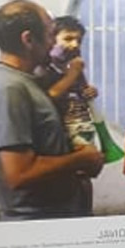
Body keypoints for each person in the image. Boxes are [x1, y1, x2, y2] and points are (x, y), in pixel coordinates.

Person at [0, 0, 102, 219]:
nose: (55, 44)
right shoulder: (8, 89)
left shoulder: (26, 83)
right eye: (51, 34)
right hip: (39, 223)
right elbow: (19, 174)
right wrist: (81, 159)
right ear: (28, 39)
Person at [34, 13, 100, 152]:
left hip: (77, 126)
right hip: (56, 133)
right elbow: (49, 97)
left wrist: (87, 92)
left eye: (79, 41)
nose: (75, 45)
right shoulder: (43, 67)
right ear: (51, 40)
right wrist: (73, 73)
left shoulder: (70, 64)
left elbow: (79, 90)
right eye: (68, 39)